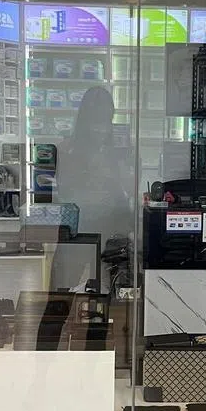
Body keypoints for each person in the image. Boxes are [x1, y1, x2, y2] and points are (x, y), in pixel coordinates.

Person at [50, 86, 134, 289]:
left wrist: (122, 169)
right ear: (84, 120)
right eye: (95, 121)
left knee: (112, 292)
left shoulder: (116, 151)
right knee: (62, 292)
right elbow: (62, 192)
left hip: (110, 230)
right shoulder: (66, 149)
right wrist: (86, 174)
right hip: (77, 230)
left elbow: (127, 190)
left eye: (105, 121)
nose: (100, 129)